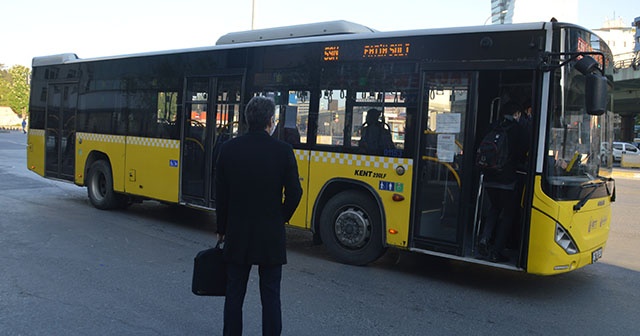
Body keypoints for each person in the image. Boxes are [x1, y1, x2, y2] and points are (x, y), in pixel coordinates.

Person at [215, 96, 303, 336]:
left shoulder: (228, 149)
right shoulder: (283, 151)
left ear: (247, 120)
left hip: (237, 232)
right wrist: (280, 218)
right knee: (271, 296)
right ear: (270, 121)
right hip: (270, 235)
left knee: (234, 295)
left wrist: (222, 228)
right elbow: (295, 193)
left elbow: (221, 196)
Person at [478, 101, 530, 262]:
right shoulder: (518, 129)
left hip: (488, 176)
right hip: (508, 179)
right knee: (508, 215)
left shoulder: (493, 126)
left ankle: (484, 239)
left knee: (494, 208)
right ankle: (496, 251)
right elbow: (523, 153)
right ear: (516, 114)